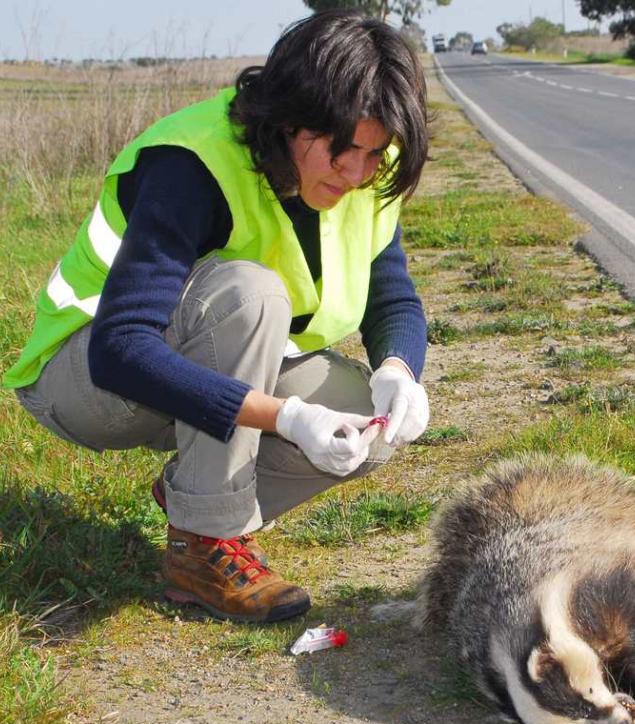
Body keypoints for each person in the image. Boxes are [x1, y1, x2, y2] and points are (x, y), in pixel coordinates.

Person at [2, 10, 430, 624]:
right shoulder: (192, 163)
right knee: (248, 294)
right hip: (84, 380)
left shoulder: (364, 172)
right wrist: (287, 415)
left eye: (374, 152)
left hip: (192, 370)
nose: (357, 173)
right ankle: (203, 546)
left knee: (367, 421)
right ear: (289, 120)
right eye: (341, 151)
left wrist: (398, 371)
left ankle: (197, 495)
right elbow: (121, 349)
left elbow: (394, 299)